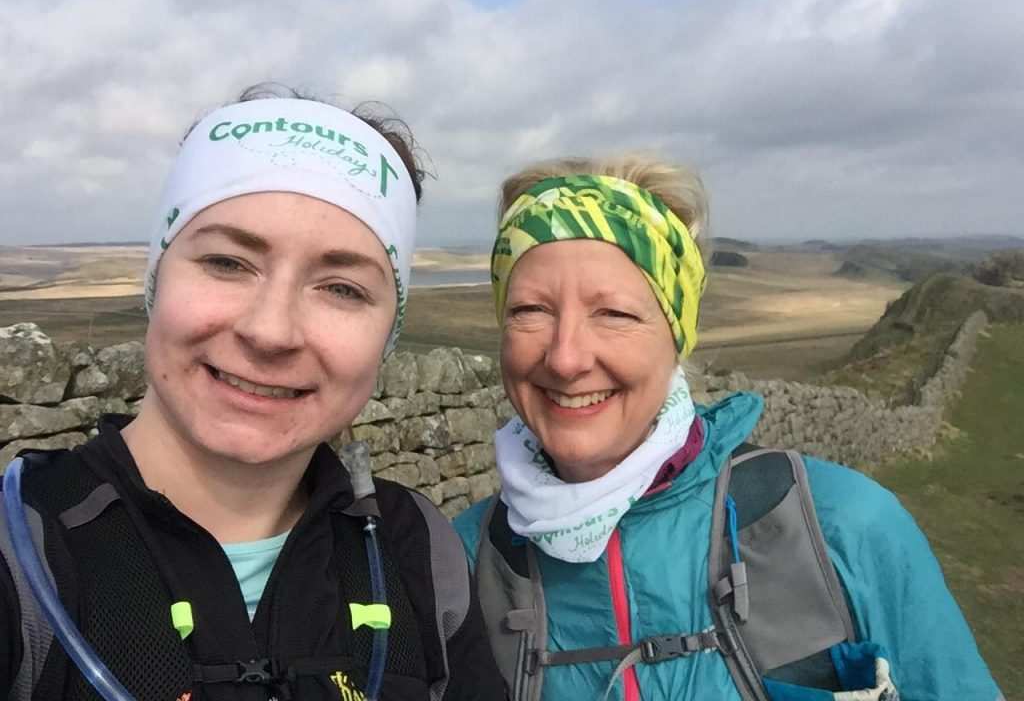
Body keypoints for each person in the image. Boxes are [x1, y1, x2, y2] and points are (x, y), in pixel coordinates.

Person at [0, 84, 503, 701]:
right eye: (228, 263)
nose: (270, 331)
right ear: (156, 282)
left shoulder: (417, 551)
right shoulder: (20, 551)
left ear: (388, 337)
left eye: (342, 288)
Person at [454, 157, 1003, 701]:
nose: (566, 358)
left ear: (678, 335)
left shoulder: (844, 529)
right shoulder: (460, 564)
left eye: (615, 314)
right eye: (529, 310)